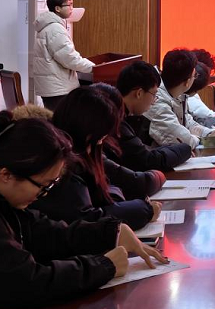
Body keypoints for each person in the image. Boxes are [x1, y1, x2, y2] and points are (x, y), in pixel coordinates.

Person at [0, 111, 166, 309]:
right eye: (42, 186)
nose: (44, 195)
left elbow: (44, 231)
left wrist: (110, 232)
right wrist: (104, 266)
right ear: (6, 174)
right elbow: (29, 282)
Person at [32, 86, 163, 230]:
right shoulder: (60, 166)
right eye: (100, 137)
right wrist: (144, 210)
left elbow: (105, 187)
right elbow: (87, 220)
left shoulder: (80, 151)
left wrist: (115, 202)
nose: (101, 142)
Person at [111, 61, 192, 171]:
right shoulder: (115, 120)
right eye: (154, 94)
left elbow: (142, 151)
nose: (154, 101)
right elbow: (148, 161)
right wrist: (185, 149)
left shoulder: (119, 112)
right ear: (139, 93)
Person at [145, 48, 215, 149]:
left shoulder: (177, 93)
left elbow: (188, 122)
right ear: (187, 82)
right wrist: (202, 140)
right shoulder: (157, 100)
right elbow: (180, 139)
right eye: (195, 75)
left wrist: (209, 133)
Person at [32, 0, 95, 111]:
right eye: (69, 5)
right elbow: (69, 59)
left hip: (52, 87)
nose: (72, 8)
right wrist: (94, 68)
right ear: (58, 8)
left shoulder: (48, 26)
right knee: (62, 120)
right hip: (59, 89)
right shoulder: (55, 29)